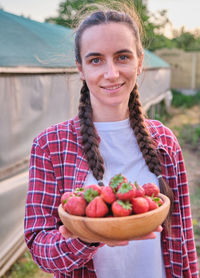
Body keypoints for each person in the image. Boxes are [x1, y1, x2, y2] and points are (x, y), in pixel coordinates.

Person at [24, 3, 199, 278]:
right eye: (96, 60)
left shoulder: (164, 140)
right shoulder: (51, 145)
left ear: (140, 62)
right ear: (80, 68)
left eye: (122, 57)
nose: (111, 73)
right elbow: (39, 248)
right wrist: (88, 236)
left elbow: (184, 241)